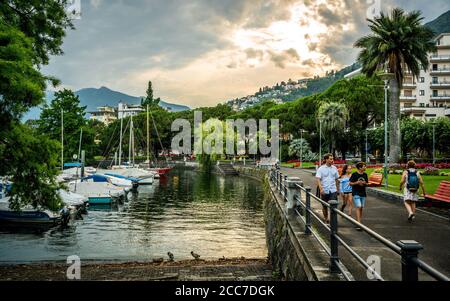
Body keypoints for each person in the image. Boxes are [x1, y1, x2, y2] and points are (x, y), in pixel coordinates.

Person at [316, 154, 340, 224]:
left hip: (333, 190)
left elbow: (337, 179)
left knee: (333, 206)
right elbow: (318, 179)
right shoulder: (321, 169)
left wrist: (338, 189)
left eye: (332, 159)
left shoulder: (334, 168)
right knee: (325, 206)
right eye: (330, 159)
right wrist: (321, 189)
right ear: (326, 159)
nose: (332, 160)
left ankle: (333, 220)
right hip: (324, 190)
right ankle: (326, 218)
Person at [349, 162, 369, 230]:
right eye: (364, 166)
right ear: (360, 167)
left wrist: (364, 183)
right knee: (359, 206)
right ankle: (359, 223)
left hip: (363, 193)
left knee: (361, 208)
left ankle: (359, 220)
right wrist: (356, 183)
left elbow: (367, 183)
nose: (365, 167)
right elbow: (350, 183)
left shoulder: (365, 174)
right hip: (356, 193)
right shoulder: (354, 174)